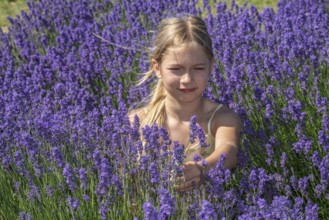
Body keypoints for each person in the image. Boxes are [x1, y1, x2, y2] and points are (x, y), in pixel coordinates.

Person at [129, 15, 242, 192]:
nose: (187, 79)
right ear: (157, 68)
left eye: (198, 68)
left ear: (212, 67)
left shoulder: (222, 119)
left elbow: (229, 150)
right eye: (176, 69)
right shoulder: (136, 121)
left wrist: (202, 168)